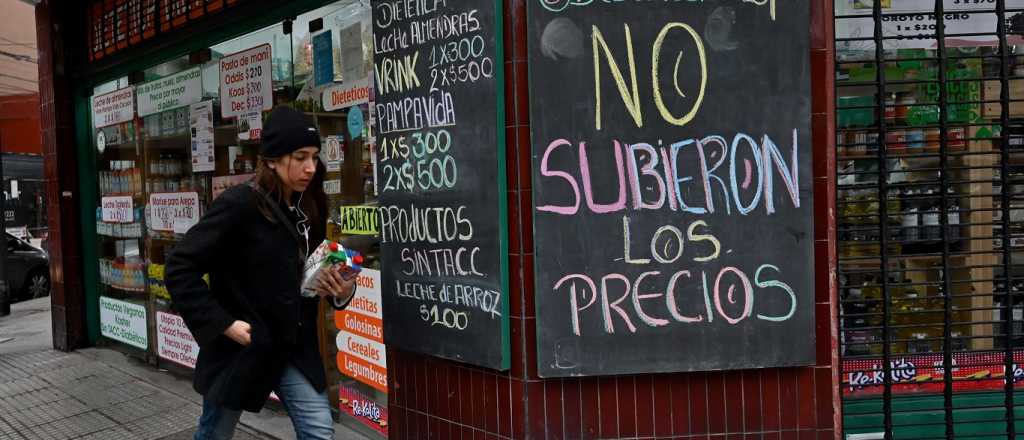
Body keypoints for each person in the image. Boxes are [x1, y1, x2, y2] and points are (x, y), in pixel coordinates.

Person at [166, 106, 356, 440]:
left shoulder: (310, 205)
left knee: (319, 430)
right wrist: (224, 324)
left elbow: (310, 275)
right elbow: (179, 268)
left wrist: (341, 292)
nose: (310, 168)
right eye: (299, 157)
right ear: (271, 159)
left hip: (294, 347)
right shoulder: (239, 205)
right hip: (244, 349)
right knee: (216, 433)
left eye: (314, 157)